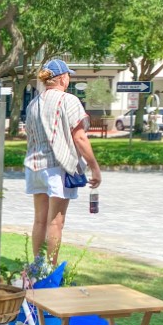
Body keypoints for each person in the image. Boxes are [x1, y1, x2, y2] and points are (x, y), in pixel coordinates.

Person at [23, 58, 102, 266]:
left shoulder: (33, 103)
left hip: (34, 166)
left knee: (40, 219)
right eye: (68, 75)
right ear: (62, 78)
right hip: (57, 166)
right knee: (56, 221)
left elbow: (29, 136)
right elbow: (80, 137)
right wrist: (94, 167)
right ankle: (51, 270)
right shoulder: (68, 100)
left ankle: (37, 267)